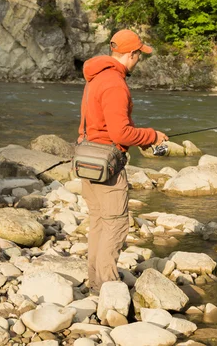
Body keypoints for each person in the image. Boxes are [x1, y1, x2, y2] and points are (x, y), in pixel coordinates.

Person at [77, 29, 168, 294]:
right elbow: (120, 133)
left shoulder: (96, 77)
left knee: (98, 222)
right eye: (139, 54)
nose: (140, 59)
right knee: (116, 224)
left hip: (87, 158)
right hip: (107, 164)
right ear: (131, 54)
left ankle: (95, 282)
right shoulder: (116, 84)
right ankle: (107, 288)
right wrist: (152, 136)